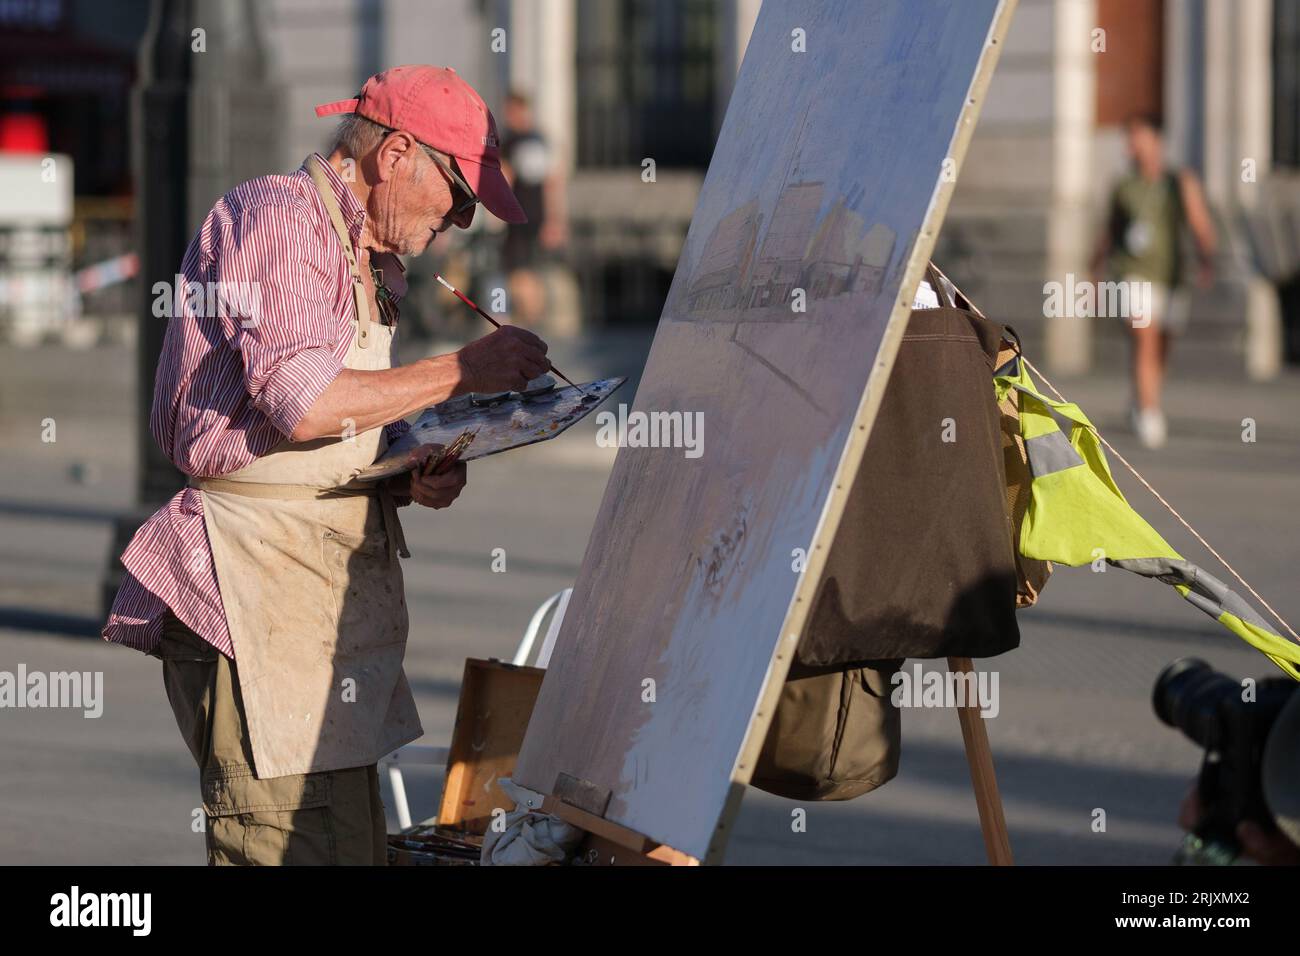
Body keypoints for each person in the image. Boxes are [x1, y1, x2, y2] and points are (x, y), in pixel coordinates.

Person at [102, 66, 551, 865]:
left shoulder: (366, 257)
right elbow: (302, 404)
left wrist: (407, 467)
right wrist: (461, 371)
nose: (460, 222)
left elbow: (335, 423)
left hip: (312, 603)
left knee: (344, 848)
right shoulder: (280, 219)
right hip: (249, 591)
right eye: (458, 197)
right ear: (397, 154)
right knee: (286, 847)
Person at [1091, 113, 1217, 449]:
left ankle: (1141, 398)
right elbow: (1109, 232)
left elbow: (1199, 222)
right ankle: (1150, 412)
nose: (1130, 145)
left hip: (1171, 276)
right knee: (1145, 337)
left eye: (1137, 136)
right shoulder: (1123, 185)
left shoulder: (1179, 181)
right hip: (1133, 274)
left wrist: (1207, 259)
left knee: (1162, 342)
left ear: (1156, 140)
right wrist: (1095, 271)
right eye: (1128, 138)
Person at [499, 90, 568, 327]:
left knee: (519, 271)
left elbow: (505, 178)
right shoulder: (540, 139)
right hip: (534, 215)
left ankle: (527, 319)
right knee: (528, 270)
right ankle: (532, 318)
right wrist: (554, 219)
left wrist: (555, 220)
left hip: (519, 215)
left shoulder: (511, 141)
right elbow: (553, 182)